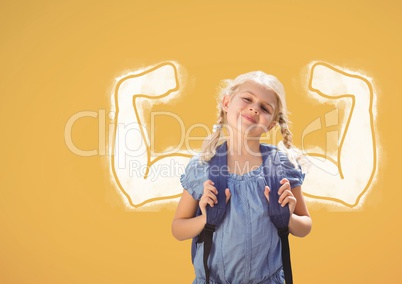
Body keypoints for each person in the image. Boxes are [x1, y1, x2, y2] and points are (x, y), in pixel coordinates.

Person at [172, 71, 312, 283]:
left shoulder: (282, 167)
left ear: (271, 124)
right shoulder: (203, 167)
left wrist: (289, 218)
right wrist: (204, 219)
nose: (254, 108)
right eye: (247, 99)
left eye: (265, 108)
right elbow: (178, 228)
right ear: (227, 103)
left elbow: (305, 226)